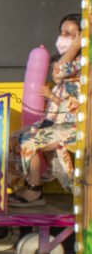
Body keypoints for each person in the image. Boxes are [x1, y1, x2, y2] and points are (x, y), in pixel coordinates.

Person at [11, 14, 82, 206]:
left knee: (29, 142)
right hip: (57, 122)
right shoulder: (70, 61)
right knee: (17, 138)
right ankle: (27, 184)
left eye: (70, 34)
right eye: (62, 33)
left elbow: (59, 74)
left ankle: (35, 192)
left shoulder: (83, 63)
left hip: (75, 126)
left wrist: (76, 46)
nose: (63, 37)